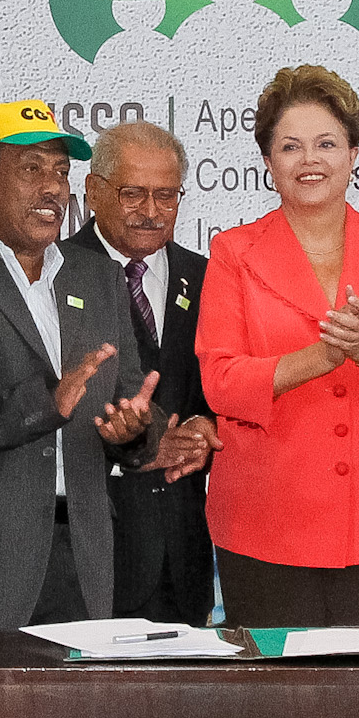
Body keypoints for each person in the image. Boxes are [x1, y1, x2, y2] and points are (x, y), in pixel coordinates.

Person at [195, 64, 359, 627]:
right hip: (265, 524)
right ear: (268, 163)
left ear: (354, 154)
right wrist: (319, 357)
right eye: (290, 146)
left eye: (326, 144)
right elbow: (220, 381)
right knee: (279, 709)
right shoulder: (233, 253)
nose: (309, 160)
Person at [0, 95, 162, 629]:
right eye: (31, 169)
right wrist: (48, 404)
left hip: (84, 555)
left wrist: (132, 431)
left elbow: (132, 399)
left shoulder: (97, 277)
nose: (53, 188)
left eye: (61, 171)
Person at [77, 119, 216, 625]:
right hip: (95, 554)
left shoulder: (206, 277)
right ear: (93, 192)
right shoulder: (54, 272)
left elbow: (216, 394)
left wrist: (207, 430)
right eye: (133, 194)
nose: (151, 212)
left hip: (186, 555)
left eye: (167, 195)